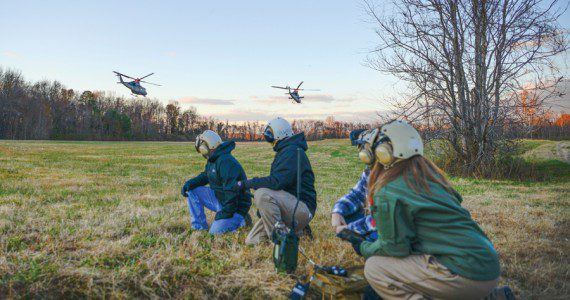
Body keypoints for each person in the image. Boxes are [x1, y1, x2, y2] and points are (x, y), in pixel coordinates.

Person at [340, 120, 512, 300]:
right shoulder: (430, 180)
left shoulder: (389, 190)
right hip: (487, 267)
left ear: (384, 153)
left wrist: (363, 246)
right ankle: (493, 296)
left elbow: (395, 248)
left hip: (466, 274)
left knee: (375, 268)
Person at [234, 117, 317, 245]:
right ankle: (297, 232)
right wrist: (265, 209)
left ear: (279, 134)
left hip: (302, 208)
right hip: (289, 206)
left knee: (262, 194)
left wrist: (247, 183)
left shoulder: (292, 151)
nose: (268, 139)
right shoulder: (285, 151)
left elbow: (277, 182)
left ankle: (282, 241)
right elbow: (279, 186)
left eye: (270, 135)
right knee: (252, 241)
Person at [181, 130, 252, 235]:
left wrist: (223, 215)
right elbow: (206, 175)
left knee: (214, 234)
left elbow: (232, 193)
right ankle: (199, 228)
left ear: (206, 147)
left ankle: (242, 220)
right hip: (221, 198)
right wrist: (190, 184)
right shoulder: (213, 159)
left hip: (234, 207)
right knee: (192, 191)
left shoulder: (226, 162)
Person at [331, 129, 377, 242]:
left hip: (389, 231)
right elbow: (356, 195)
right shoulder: (370, 171)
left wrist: (350, 229)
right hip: (378, 223)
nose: (361, 153)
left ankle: (373, 244)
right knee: (346, 214)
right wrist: (337, 212)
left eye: (363, 148)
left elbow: (385, 220)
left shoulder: (393, 176)